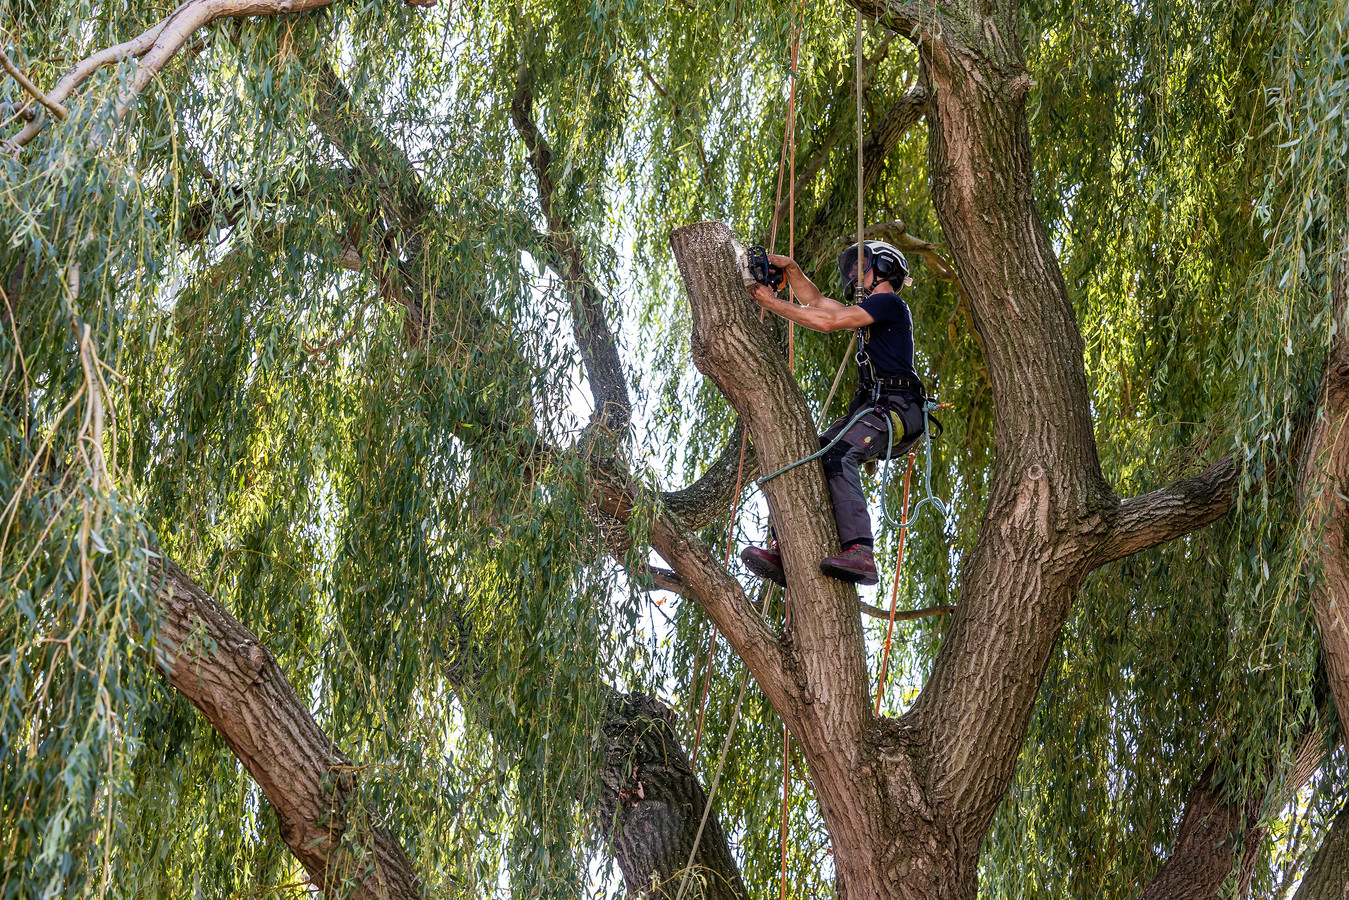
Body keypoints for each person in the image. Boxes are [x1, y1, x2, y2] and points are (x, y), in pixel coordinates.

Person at [740, 239, 926, 586]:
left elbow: (827, 320)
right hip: (873, 409)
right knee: (810, 457)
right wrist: (792, 269)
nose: (854, 274)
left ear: (884, 268)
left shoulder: (889, 303)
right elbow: (816, 302)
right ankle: (785, 547)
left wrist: (772, 302)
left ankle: (861, 551)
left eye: (862, 266)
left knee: (839, 454)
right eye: (851, 268)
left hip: (897, 407)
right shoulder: (869, 312)